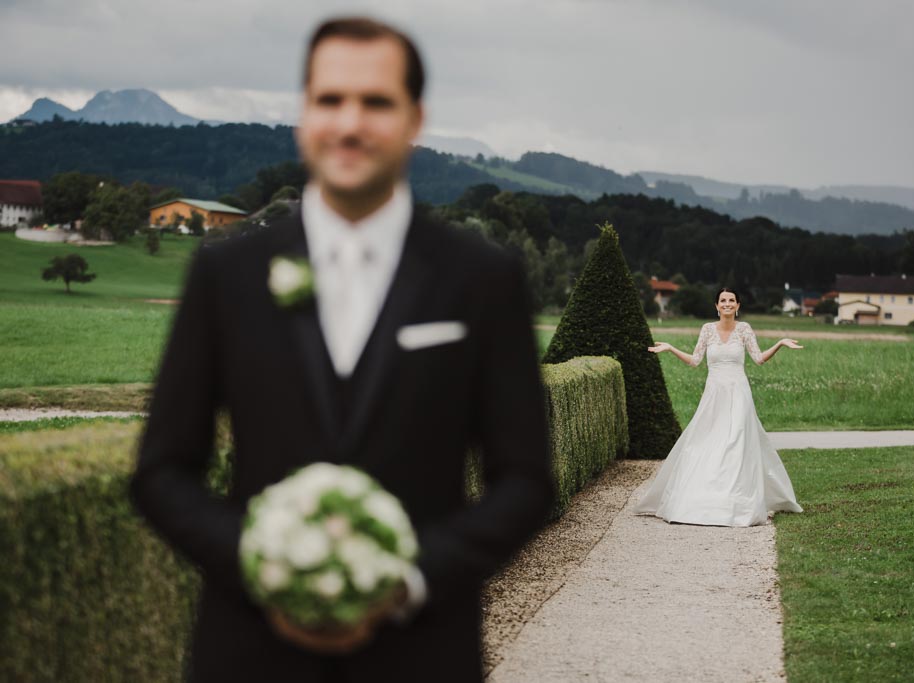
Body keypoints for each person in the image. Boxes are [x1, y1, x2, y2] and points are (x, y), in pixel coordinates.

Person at [131, 16, 553, 683]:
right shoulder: (228, 274)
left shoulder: (483, 278)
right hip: (248, 652)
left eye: (376, 102)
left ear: (415, 118)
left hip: (422, 652)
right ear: (304, 115)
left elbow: (527, 478)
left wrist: (408, 579)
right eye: (331, 100)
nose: (350, 123)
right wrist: (263, 565)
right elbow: (161, 470)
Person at [633, 288, 803, 526]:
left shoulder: (744, 329)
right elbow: (695, 361)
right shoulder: (707, 330)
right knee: (704, 442)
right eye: (722, 300)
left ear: (738, 305)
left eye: (731, 300)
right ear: (716, 306)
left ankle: (735, 500)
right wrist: (671, 348)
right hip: (714, 394)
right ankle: (704, 496)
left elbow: (759, 359)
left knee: (735, 440)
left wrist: (781, 343)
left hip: (738, 393)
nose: (727, 303)